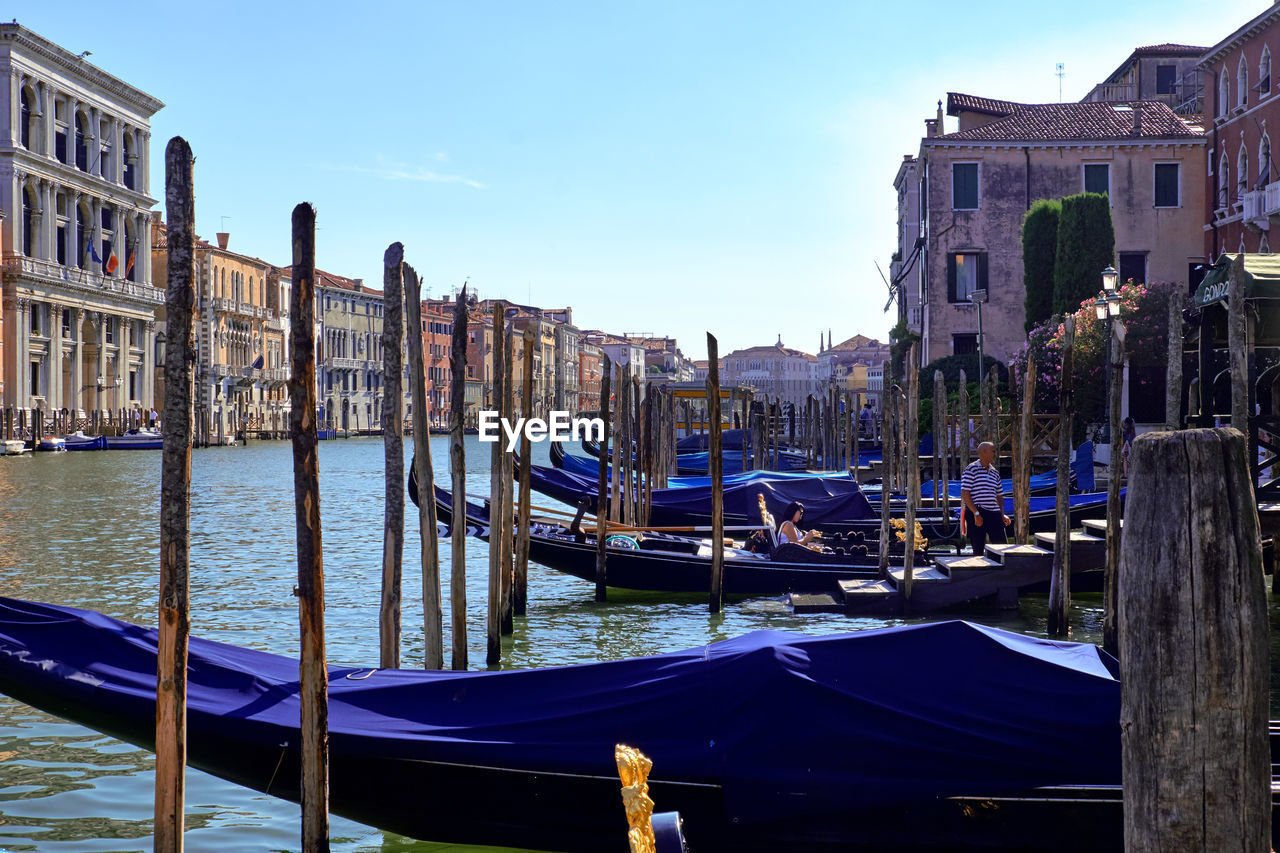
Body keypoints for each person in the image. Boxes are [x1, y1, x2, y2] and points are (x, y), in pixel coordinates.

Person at [960, 441, 1011, 556]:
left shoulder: (995, 472)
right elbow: (965, 493)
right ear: (983, 452)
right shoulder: (971, 469)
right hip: (977, 510)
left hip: (993, 512)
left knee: (1002, 546)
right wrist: (976, 513)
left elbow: (999, 496)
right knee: (978, 547)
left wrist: (1002, 514)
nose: (995, 454)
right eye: (993, 451)